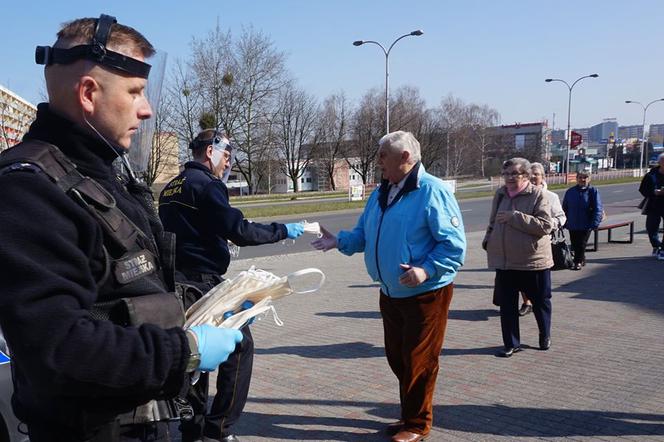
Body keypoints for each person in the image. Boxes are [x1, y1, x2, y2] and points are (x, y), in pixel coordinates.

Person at [0, 15, 243, 442]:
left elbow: (126, 287)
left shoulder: (102, 174)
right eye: (134, 92)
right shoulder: (29, 190)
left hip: (148, 420)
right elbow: (59, 348)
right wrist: (186, 351)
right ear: (89, 93)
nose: (146, 108)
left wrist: (204, 302)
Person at [311, 131, 466, 442]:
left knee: (419, 360)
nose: (378, 159)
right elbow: (363, 235)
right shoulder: (382, 192)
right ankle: (409, 413)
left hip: (426, 294)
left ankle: (418, 424)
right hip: (391, 292)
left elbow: (454, 247)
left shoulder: (431, 191)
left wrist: (426, 270)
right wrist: (338, 241)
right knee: (397, 357)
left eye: (384, 154)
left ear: (405, 157)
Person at [158, 129, 305, 442]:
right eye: (226, 156)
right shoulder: (207, 185)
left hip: (176, 282)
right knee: (240, 346)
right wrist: (284, 231)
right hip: (203, 283)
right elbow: (239, 230)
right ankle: (218, 428)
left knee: (195, 352)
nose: (228, 164)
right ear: (210, 151)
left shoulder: (170, 187)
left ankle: (192, 430)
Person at [483, 158, 553, 358]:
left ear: (527, 176)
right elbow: (493, 221)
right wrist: (488, 241)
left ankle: (544, 333)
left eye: (515, 174)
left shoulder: (538, 195)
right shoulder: (501, 194)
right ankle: (511, 343)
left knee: (540, 301)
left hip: (532, 261)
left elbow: (545, 226)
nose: (510, 178)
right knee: (507, 305)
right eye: (506, 174)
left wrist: (515, 217)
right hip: (505, 261)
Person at [518, 162, 567, 316]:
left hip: (542, 244)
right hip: (522, 242)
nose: (533, 178)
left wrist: (550, 224)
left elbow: (561, 217)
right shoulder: (520, 196)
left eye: (536, 175)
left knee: (540, 280)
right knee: (520, 275)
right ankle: (527, 302)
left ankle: (540, 304)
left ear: (543, 177)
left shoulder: (551, 197)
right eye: (530, 175)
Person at [562, 171, 603, 270]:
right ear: (577, 179)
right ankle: (582, 258)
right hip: (572, 223)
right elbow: (565, 207)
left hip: (586, 223)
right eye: (580, 177)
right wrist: (563, 221)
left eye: (585, 177)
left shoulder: (593, 191)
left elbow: (598, 208)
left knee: (582, 243)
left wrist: (595, 223)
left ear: (589, 179)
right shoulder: (570, 192)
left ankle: (577, 262)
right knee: (575, 243)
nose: (582, 180)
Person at [638, 153, 664, 260]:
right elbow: (643, 189)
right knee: (651, 227)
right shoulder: (651, 175)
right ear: (659, 163)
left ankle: (662, 249)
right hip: (654, 204)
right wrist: (654, 192)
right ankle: (657, 245)